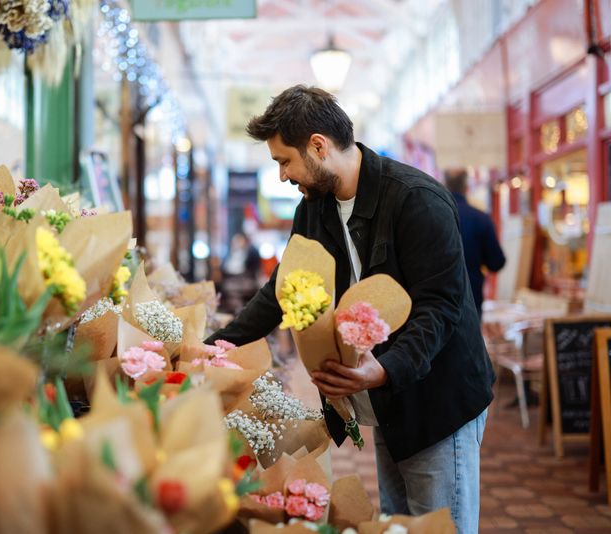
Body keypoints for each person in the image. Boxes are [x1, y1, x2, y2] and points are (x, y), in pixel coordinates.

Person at [206, 85, 494, 534]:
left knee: (440, 527)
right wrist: (216, 346)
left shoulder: (416, 200)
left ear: (318, 146)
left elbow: (439, 308)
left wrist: (386, 370)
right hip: (388, 400)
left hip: (439, 401)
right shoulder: (315, 209)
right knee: (399, 524)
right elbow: (284, 288)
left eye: (285, 161)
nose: (282, 175)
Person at [444, 169, 506, 320]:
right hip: (471, 296)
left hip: (437, 298)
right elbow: (496, 262)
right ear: (466, 187)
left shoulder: (431, 217)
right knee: (470, 341)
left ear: (444, 185)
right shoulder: (481, 219)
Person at [220, 233, 261, 313]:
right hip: (234, 281)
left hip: (246, 281)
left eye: (238, 241)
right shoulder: (231, 253)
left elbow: (253, 270)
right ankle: (235, 309)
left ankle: (240, 310)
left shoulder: (251, 252)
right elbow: (225, 267)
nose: (236, 243)